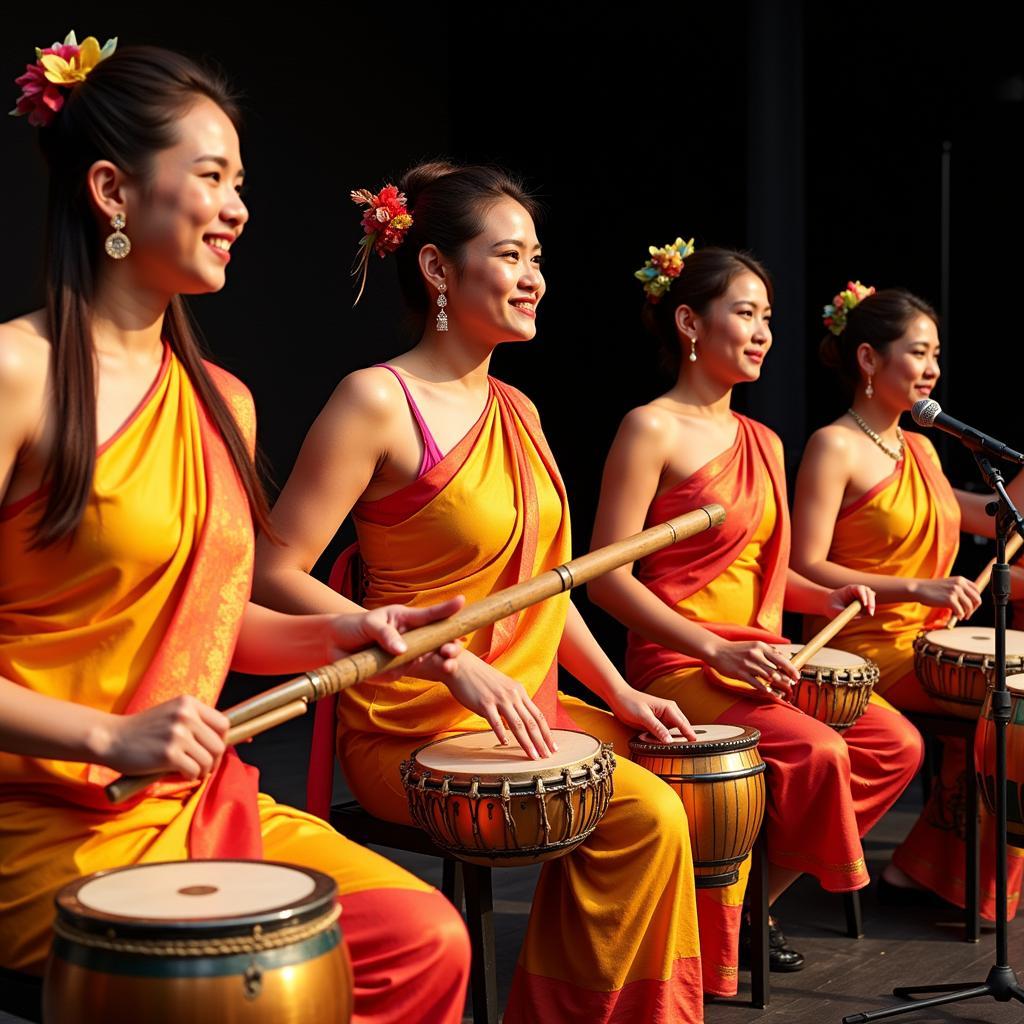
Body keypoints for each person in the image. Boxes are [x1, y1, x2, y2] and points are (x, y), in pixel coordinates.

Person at [0, 35, 470, 1023]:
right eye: (211, 176)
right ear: (112, 191)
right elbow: (121, 692)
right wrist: (106, 733)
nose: (240, 208)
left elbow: (205, 627)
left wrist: (337, 631)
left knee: (422, 940)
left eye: (241, 181)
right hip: (41, 820)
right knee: (220, 984)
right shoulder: (16, 375)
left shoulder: (225, 399)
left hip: (195, 801)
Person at [252, 163, 706, 1023]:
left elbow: (543, 592)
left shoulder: (520, 410)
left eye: (538, 257)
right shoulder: (377, 402)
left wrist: (620, 690)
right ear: (435, 269)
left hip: (523, 707)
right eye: (510, 255)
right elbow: (275, 574)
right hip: (411, 720)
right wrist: (447, 658)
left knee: (689, 770)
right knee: (646, 814)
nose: (535, 276)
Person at [588, 243, 922, 985]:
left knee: (890, 744)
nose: (764, 331)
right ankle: (723, 918)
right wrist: (712, 649)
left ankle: (746, 901)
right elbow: (605, 578)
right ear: (689, 322)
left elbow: (764, 581)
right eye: (745, 313)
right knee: (818, 752)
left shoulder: (764, 440)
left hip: (760, 658)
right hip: (682, 662)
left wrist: (825, 596)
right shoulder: (652, 428)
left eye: (768, 316)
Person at [791, 282, 1024, 921]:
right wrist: (916, 588)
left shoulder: (919, 446)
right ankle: (931, 865)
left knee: (1011, 700)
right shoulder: (833, 445)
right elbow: (803, 564)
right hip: (863, 645)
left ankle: (929, 864)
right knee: (1006, 707)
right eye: (918, 353)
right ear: (868, 359)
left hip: (930, 641)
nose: (932, 370)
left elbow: (980, 514)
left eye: (937, 355)